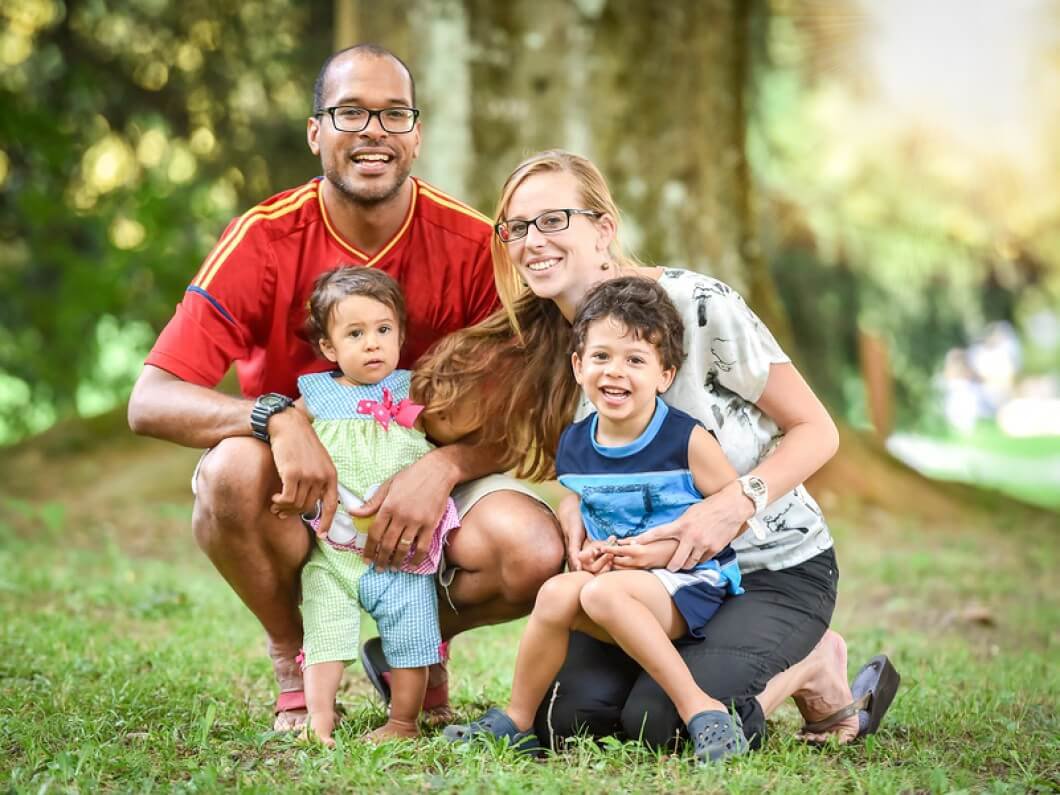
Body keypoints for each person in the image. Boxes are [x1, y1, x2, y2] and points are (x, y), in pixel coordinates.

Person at [126, 45, 563, 731]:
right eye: (350, 112)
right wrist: (278, 418)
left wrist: (443, 465)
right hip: (305, 481)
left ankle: (406, 641)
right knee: (230, 475)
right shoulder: (266, 238)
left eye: (394, 114)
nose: (373, 132)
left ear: (416, 134)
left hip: (433, 479)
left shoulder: (477, 245)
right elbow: (150, 398)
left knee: (533, 551)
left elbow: (522, 406)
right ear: (315, 132)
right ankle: (295, 656)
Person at [415, 150, 900, 752]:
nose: (532, 241)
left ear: (604, 230)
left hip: (766, 569)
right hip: (647, 582)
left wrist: (733, 504)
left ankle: (813, 664)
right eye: (516, 227)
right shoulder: (558, 348)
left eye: (553, 220)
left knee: (662, 725)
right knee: (568, 722)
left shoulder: (696, 306)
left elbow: (817, 430)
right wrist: (574, 509)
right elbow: (589, 459)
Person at [444, 278, 757, 764]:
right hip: (619, 581)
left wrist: (654, 555)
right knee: (556, 592)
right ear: (578, 364)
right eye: (602, 357)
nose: (616, 372)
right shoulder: (575, 443)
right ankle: (517, 720)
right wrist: (589, 544)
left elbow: (730, 517)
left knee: (599, 591)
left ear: (665, 374)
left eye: (635, 360)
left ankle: (701, 708)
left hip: (690, 581)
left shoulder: (687, 441)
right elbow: (584, 503)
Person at [296, 267, 460, 745]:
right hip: (335, 550)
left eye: (383, 330)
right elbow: (288, 436)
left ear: (400, 335)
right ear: (329, 348)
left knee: (412, 634)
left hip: (403, 549)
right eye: (355, 333)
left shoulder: (416, 387)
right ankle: (318, 719)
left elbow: (457, 435)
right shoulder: (316, 395)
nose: (372, 344)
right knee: (325, 629)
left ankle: (403, 722)